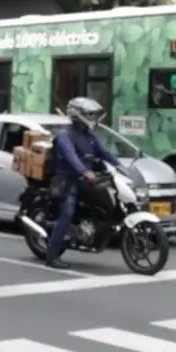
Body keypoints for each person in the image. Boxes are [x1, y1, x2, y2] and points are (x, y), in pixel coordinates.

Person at [45, 97, 122, 270]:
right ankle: (52, 255)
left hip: (85, 180)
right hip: (67, 181)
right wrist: (85, 172)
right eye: (90, 114)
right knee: (67, 213)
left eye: (94, 114)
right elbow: (71, 157)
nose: (94, 117)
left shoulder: (89, 137)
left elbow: (104, 153)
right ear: (77, 115)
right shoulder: (65, 136)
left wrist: (120, 165)